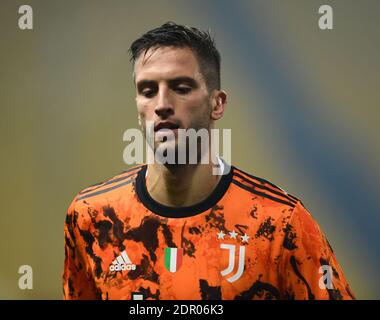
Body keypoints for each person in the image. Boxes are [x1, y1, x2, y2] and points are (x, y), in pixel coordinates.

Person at [62, 22, 355, 300]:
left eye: (181, 88)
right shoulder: (93, 218)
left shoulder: (279, 223)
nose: (162, 104)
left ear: (217, 104)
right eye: (148, 91)